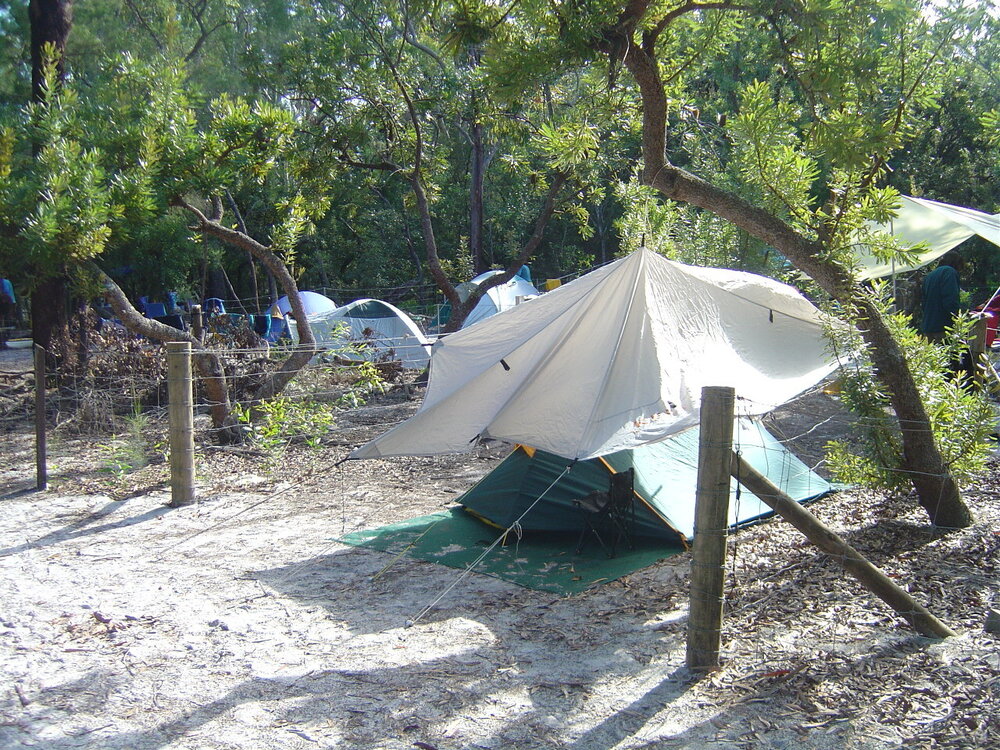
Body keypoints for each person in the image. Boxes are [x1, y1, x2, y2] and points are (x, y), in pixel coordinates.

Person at [920, 251, 964, 342]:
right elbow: (950, 298)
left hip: (928, 325)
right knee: (947, 350)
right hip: (943, 326)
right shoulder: (949, 272)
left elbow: (923, 301)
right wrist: (957, 318)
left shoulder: (930, 275)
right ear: (957, 263)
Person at [0, 277, 15, 349]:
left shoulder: (7, 282)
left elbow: (10, 293)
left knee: (7, 319)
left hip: (7, 301)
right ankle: (6, 336)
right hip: (7, 301)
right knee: (7, 319)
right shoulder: (7, 282)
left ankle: (7, 336)